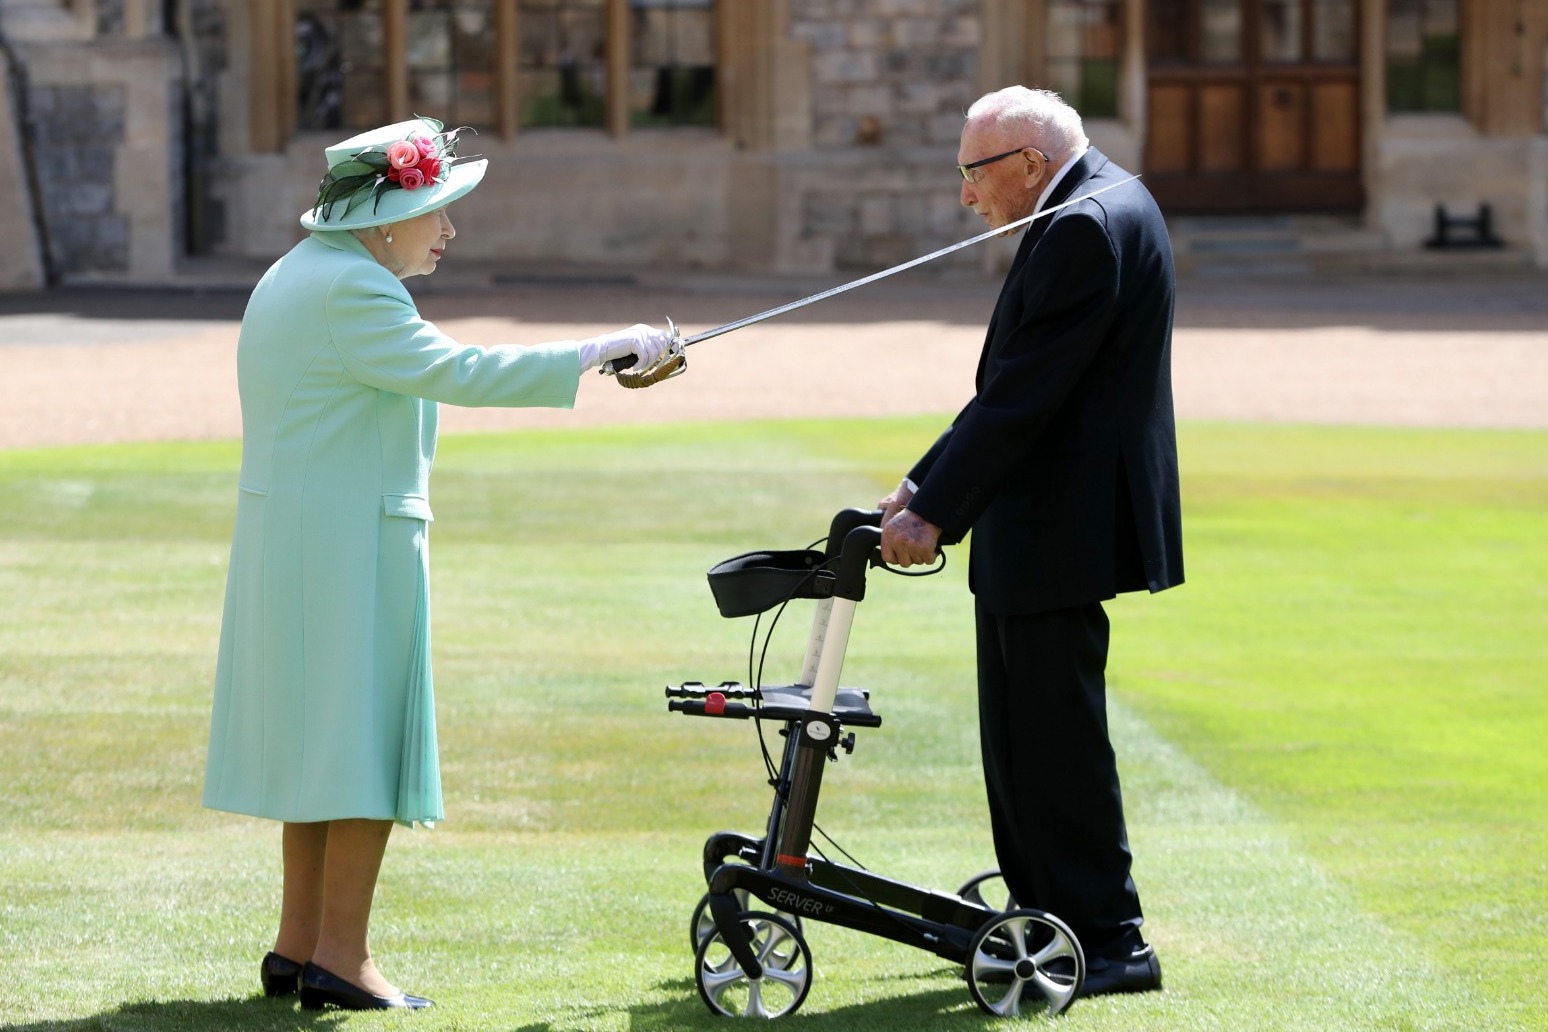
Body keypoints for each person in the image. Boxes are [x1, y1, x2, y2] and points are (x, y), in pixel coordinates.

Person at [201, 116, 673, 1011]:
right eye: (437, 210)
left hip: (304, 543)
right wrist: (599, 349)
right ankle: (340, 957)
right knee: (364, 747)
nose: (448, 231)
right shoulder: (354, 290)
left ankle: (299, 944)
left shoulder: (298, 273)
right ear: (384, 217)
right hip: (347, 548)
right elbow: (457, 370)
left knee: (322, 750)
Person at [878, 86, 1183, 998]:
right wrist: (922, 482)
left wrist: (933, 508)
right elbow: (1017, 384)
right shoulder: (1097, 203)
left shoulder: (1084, 225)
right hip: (1044, 520)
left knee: (1052, 739)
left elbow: (1025, 396)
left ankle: (1109, 939)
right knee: (1021, 735)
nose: (966, 197)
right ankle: (1047, 907)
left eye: (973, 174)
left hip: (1058, 523)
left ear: (1029, 167)